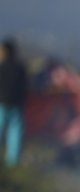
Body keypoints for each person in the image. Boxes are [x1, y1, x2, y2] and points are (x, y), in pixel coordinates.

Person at [0, 38, 28, 167]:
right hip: (17, 103)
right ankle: (12, 161)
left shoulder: (1, 67)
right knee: (15, 132)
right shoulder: (20, 67)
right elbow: (25, 86)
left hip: (2, 103)